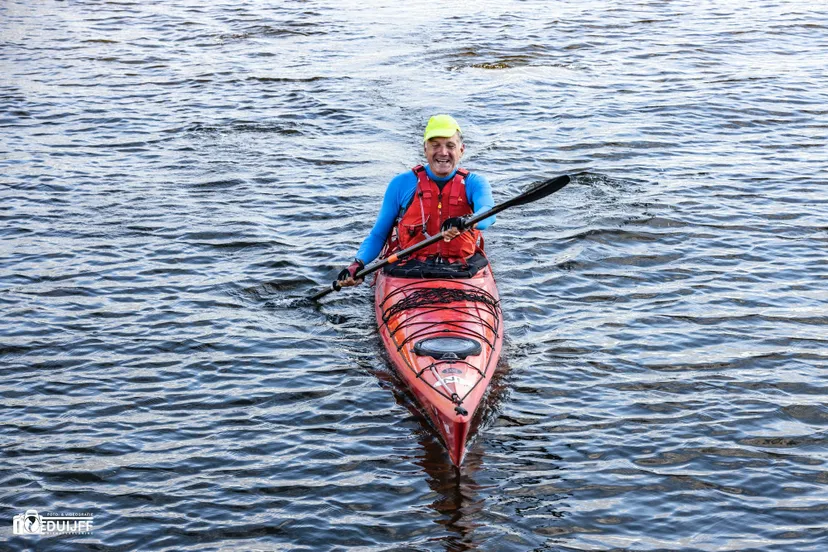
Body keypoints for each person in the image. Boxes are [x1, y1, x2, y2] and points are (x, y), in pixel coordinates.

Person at [337, 114, 495, 287]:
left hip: (463, 267)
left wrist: (466, 221)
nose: (443, 152)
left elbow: (488, 214)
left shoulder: (475, 183)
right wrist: (358, 264)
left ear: (461, 150)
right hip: (409, 269)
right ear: (425, 149)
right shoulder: (401, 184)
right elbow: (379, 234)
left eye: (450, 145)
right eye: (435, 146)